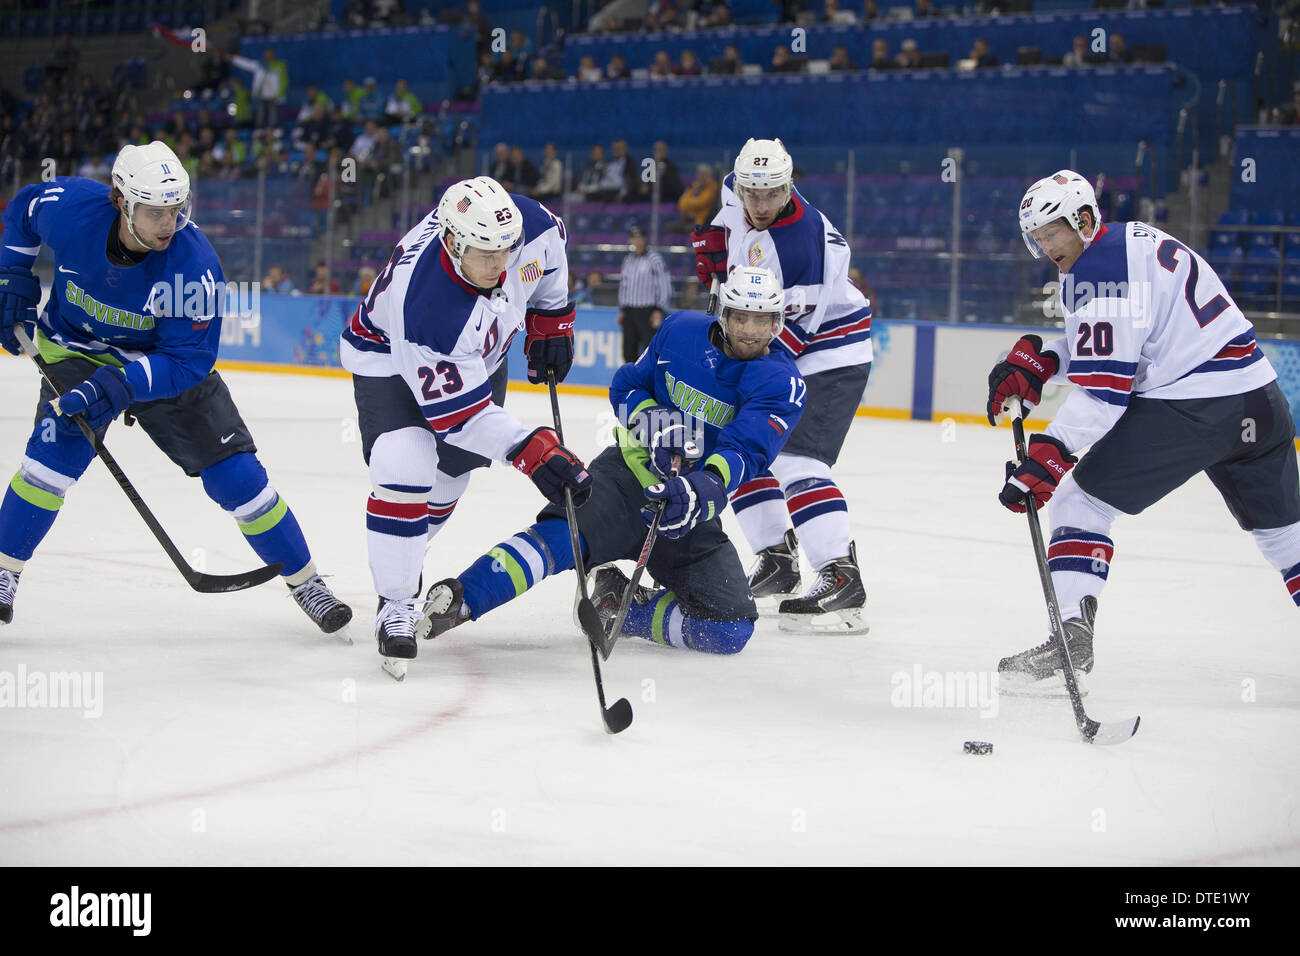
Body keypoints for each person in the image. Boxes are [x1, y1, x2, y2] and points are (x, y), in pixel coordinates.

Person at [0, 142, 350, 633]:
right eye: (154, 212)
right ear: (121, 200)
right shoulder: (73, 208)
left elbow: (188, 361)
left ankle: (306, 581)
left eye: (175, 210)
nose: (168, 223)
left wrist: (119, 385)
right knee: (47, 467)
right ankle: (3, 571)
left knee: (240, 481)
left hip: (160, 365)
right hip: (75, 350)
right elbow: (23, 209)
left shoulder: (195, 265)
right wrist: (11, 275)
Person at [989, 170, 1299, 684]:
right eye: (1038, 239)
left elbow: (1108, 390)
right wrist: (1042, 359)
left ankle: (1071, 642)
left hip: (1199, 408)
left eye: (1053, 234)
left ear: (1084, 220)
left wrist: (1052, 452)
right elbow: (1121, 347)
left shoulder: (1098, 269)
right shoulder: (1126, 243)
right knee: (1286, 539)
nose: (1046, 248)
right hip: (1260, 401)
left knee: (1078, 502)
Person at [416, 267, 805, 655]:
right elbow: (627, 385)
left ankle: (619, 607)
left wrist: (701, 488)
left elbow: (745, 450)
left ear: (777, 322)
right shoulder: (680, 331)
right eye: (741, 317)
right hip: (625, 475)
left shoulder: (781, 383)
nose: (750, 330)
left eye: (762, 320)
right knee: (560, 539)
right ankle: (465, 597)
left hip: (686, 507)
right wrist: (656, 425)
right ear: (723, 312)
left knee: (729, 628)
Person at [338, 176, 585, 660]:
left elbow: (552, 248)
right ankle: (396, 600)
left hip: (479, 356)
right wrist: (534, 452)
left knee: (451, 477)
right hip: (391, 356)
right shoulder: (429, 307)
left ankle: (404, 549)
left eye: (506, 252)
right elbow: (464, 418)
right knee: (405, 459)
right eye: (486, 255)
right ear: (452, 242)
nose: (500, 264)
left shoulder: (525, 227)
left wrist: (552, 319)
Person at [694, 138, 872, 633]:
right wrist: (714, 250)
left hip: (830, 351)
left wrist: (729, 376)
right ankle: (777, 559)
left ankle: (841, 575)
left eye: (771, 194)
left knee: (797, 459)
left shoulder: (802, 248)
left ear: (789, 186)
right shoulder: (739, 192)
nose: (760, 205)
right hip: (772, 332)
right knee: (741, 443)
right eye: (752, 193)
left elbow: (786, 338)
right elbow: (727, 219)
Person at [617, 227, 672, 362]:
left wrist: (659, 309)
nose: (637, 241)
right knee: (628, 351)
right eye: (634, 238)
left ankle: (648, 381)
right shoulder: (628, 259)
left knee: (649, 350)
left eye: (640, 238)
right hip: (630, 311)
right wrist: (623, 309)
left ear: (645, 239)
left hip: (648, 311)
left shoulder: (654, 259)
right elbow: (625, 285)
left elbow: (664, 284)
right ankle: (631, 380)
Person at [677, 163, 719, 228]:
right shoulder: (694, 186)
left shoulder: (712, 188)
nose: (701, 176)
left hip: (701, 222)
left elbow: (701, 203)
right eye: (699, 173)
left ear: (709, 175)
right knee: (669, 226)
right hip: (686, 219)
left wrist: (688, 204)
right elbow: (681, 203)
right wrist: (691, 204)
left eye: (704, 174)